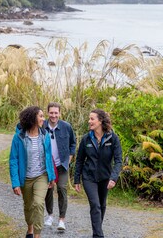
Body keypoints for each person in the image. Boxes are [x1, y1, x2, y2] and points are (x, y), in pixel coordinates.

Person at [74, 109, 122, 238]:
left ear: (100, 121)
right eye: (89, 119)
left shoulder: (113, 138)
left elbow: (118, 161)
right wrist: (77, 179)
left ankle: (97, 231)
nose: (89, 121)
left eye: (92, 119)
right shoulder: (86, 139)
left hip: (105, 177)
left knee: (102, 205)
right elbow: (79, 160)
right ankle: (98, 235)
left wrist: (114, 178)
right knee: (95, 205)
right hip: (89, 177)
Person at [10, 106, 56, 238]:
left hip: (41, 176)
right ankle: (29, 228)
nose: (44, 119)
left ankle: (37, 234)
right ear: (32, 118)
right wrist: (15, 183)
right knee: (28, 206)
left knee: (38, 203)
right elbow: (14, 160)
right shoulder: (18, 137)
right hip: (26, 178)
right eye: (41, 116)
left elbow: (48, 158)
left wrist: (51, 177)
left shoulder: (45, 135)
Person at [43, 102, 76, 231]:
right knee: (48, 189)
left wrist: (69, 158)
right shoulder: (42, 126)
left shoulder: (66, 126)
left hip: (61, 164)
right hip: (47, 165)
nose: (54, 115)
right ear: (48, 113)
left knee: (62, 188)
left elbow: (73, 143)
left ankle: (62, 219)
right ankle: (50, 215)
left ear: (60, 113)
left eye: (56, 113)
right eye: (51, 112)